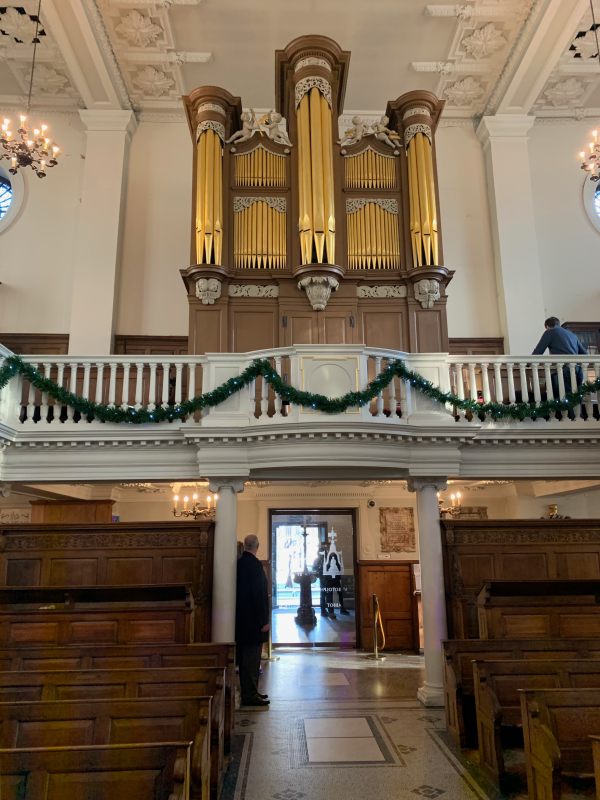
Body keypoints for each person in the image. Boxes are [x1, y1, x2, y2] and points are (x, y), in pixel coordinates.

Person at [235, 534, 270, 708]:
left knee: (247, 660)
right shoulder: (254, 565)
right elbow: (259, 595)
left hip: (242, 620)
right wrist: (264, 620)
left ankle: (251, 692)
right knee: (251, 660)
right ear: (257, 546)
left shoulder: (240, 564)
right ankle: (250, 695)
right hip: (253, 623)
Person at [532, 317, 587, 395]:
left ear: (547, 326)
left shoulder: (550, 332)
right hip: (578, 370)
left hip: (565, 370)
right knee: (576, 398)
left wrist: (528, 363)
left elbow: (538, 352)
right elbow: (585, 354)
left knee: (564, 398)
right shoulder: (572, 334)